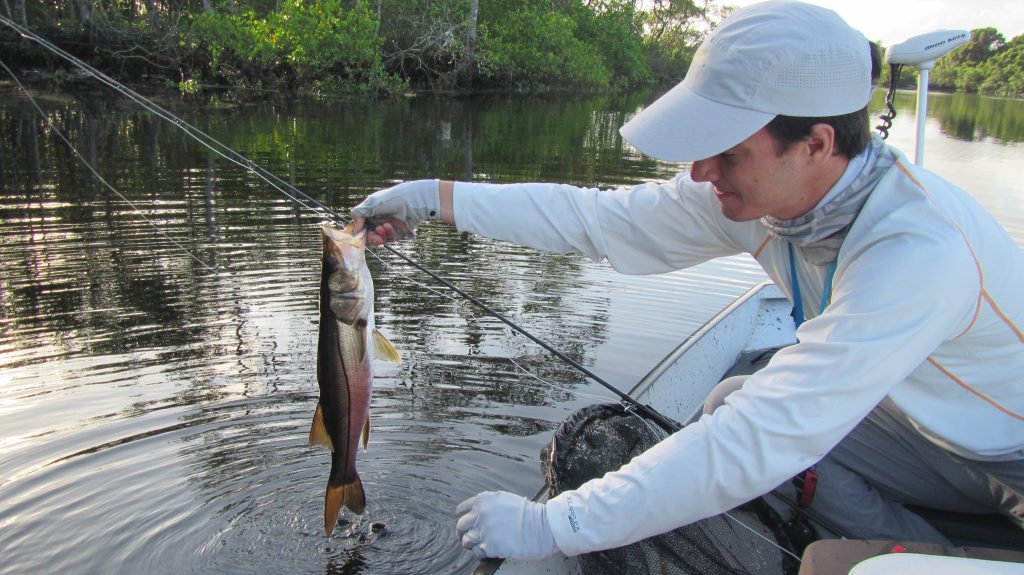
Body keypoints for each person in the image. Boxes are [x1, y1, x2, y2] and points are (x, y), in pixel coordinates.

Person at [351, 0, 1024, 562]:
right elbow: (598, 220)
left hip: (1011, 458)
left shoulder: (918, 251)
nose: (702, 172)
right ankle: (928, 548)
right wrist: (429, 197)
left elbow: (759, 438)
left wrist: (555, 524)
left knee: (765, 452)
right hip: (918, 428)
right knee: (733, 394)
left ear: (816, 145)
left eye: (727, 150)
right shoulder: (761, 195)